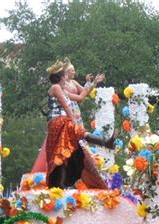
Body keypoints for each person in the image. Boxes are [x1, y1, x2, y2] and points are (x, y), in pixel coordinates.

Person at [44, 60, 114, 189]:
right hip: (59, 121)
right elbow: (65, 105)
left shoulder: (64, 87)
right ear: (62, 76)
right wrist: (73, 122)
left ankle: (105, 142)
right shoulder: (56, 87)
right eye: (68, 72)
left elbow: (82, 96)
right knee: (75, 135)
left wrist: (92, 83)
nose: (72, 73)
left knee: (65, 153)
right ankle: (104, 142)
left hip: (66, 119)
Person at [63, 57, 105, 127]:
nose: (74, 72)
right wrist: (88, 84)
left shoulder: (73, 82)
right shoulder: (62, 85)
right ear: (66, 72)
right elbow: (81, 96)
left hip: (75, 109)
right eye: (72, 70)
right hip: (67, 110)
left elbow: (86, 92)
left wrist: (94, 82)